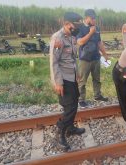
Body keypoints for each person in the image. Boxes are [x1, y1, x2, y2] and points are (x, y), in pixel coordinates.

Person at [49, 12, 85, 151]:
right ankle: (60, 132)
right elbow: (54, 62)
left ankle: (70, 128)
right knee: (69, 107)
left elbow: (71, 57)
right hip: (63, 78)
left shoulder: (71, 37)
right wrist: (58, 82)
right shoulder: (57, 38)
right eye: (75, 25)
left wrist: (77, 73)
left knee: (75, 101)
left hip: (72, 76)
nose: (76, 28)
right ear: (66, 24)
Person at [77, 9, 109, 108]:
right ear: (86, 18)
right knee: (82, 81)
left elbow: (99, 42)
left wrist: (104, 54)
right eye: (92, 18)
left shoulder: (97, 28)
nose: (94, 20)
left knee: (97, 79)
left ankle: (97, 95)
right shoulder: (80, 28)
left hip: (96, 58)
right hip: (84, 59)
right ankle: (81, 99)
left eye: (95, 18)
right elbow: (80, 42)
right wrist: (90, 33)